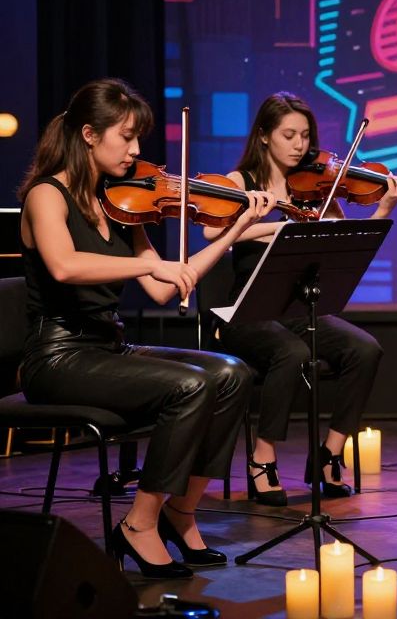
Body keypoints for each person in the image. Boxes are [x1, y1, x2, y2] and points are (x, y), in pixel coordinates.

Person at [18, 78, 273, 578]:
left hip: (107, 348)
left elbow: (164, 286)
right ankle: (139, 524)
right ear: (89, 134)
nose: (136, 150)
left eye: (138, 138)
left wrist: (237, 228)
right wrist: (147, 264)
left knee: (233, 374)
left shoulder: (119, 201)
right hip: (58, 357)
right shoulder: (46, 195)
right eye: (127, 136)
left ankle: (179, 511)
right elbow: (65, 266)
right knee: (189, 386)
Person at [203, 92, 397, 505]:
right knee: (292, 353)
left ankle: (329, 453)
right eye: (289, 135)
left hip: (297, 309)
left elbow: (345, 241)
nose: (299, 145)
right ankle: (262, 457)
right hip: (246, 312)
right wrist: (273, 226)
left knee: (364, 349)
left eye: (305, 136)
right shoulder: (241, 181)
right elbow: (212, 233)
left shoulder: (317, 187)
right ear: (264, 136)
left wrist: (384, 206)